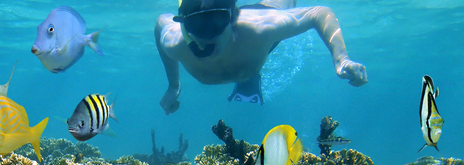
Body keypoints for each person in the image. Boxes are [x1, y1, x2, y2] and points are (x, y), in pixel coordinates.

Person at [155, 0, 367, 113]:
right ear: (183, 25)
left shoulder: (262, 28)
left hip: (262, 26)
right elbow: (160, 24)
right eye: (197, 25)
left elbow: (319, 13)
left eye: (217, 22)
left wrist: (341, 59)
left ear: (232, 18)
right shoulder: (175, 43)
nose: (208, 35)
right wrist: (174, 85)